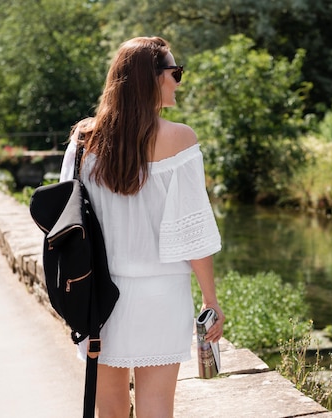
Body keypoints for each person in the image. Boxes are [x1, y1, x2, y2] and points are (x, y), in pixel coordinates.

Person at [59, 36, 224, 418]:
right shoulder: (181, 139)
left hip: (96, 295)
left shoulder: (84, 139)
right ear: (151, 78)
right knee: (156, 407)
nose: (179, 82)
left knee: (110, 410)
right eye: (175, 72)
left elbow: (67, 223)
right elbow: (192, 229)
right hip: (161, 296)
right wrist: (210, 300)